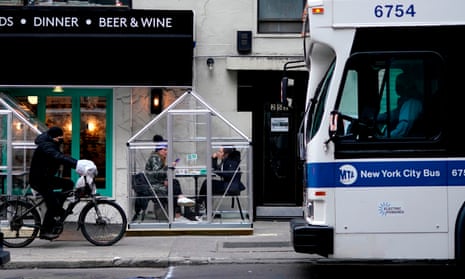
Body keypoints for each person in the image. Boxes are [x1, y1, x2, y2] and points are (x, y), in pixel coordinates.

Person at [29, 126, 78, 240]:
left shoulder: (50, 143)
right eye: (60, 137)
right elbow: (58, 156)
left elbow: (59, 158)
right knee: (52, 204)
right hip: (39, 180)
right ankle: (44, 231)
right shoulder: (47, 146)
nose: (61, 139)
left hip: (46, 178)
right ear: (54, 137)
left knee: (68, 184)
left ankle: (57, 209)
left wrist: (75, 164)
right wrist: (77, 164)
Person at [145, 135, 195, 221]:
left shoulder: (158, 158)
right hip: (153, 186)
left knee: (174, 183)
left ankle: (178, 208)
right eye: (165, 150)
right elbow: (157, 173)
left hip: (156, 183)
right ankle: (177, 211)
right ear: (159, 150)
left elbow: (158, 173)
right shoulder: (155, 157)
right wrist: (168, 167)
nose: (166, 152)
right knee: (173, 186)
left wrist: (165, 179)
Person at [377, 72, 423, 137]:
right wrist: (376, 117)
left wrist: (386, 138)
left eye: (399, 85)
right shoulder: (405, 101)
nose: (396, 88)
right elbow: (394, 114)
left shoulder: (412, 103)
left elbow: (402, 129)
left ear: (407, 86)